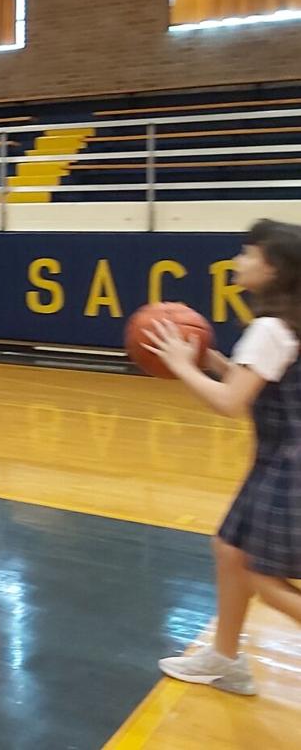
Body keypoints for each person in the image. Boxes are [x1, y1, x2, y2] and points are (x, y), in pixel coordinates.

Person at [147, 219, 301, 696]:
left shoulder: (269, 329)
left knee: (263, 574)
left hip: (288, 466)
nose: (238, 260)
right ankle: (226, 659)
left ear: (271, 269)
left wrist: (177, 366)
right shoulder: (285, 325)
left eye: (247, 252)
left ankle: (226, 658)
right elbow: (253, 380)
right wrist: (209, 359)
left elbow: (231, 402)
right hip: (277, 460)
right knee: (229, 549)